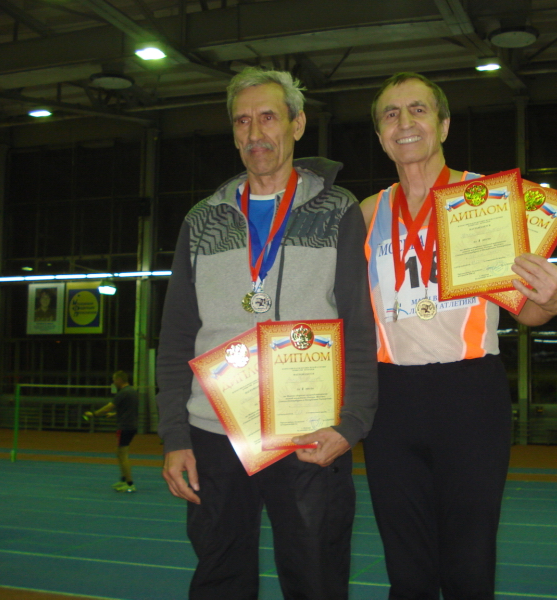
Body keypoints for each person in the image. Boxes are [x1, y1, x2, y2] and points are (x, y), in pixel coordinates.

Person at [156, 67, 377, 600]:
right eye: (242, 121)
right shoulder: (202, 221)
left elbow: (358, 324)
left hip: (308, 431)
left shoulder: (337, 209)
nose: (255, 133)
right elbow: (177, 335)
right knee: (219, 579)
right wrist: (176, 438)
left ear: (297, 125)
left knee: (317, 578)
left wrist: (351, 423)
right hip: (214, 432)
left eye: (268, 118)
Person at [360, 72, 557, 600]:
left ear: (444, 124)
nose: (405, 123)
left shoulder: (489, 200)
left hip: (470, 395)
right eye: (390, 114)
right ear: (380, 135)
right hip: (390, 400)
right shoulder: (365, 214)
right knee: (406, 571)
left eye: (418, 110)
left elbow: (531, 310)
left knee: (469, 566)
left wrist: (556, 297)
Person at [84, 371, 139, 493]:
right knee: (119, 452)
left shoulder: (122, 393)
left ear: (119, 380)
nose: (113, 382)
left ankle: (129, 484)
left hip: (124, 427)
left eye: (114, 380)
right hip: (131, 426)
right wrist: (114, 414)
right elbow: (128, 408)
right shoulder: (132, 391)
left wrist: (94, 414)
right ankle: (123, 480)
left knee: (123, 455)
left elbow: (109, 406)